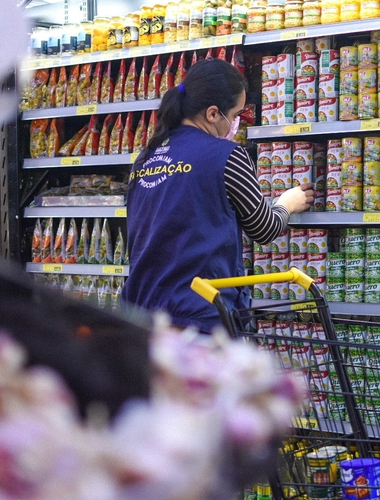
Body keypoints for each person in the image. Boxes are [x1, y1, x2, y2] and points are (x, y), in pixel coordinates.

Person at [122, 58, 314, 333]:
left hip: (141, 312)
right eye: (235, 115)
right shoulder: (226, 155)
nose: (235, 124)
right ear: (213, 114)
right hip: (198, 313)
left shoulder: (146, 156)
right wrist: (286, 204)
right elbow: (264, 228)